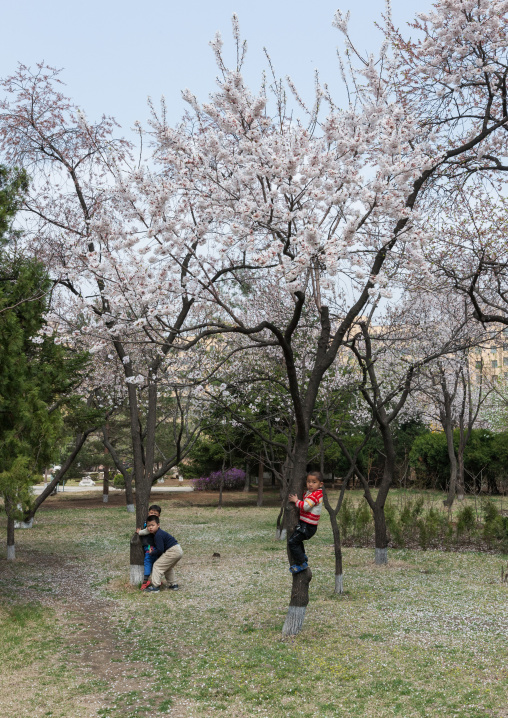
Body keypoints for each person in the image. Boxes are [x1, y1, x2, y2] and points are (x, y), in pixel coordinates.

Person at [287, 471, 324, 574]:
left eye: (314, 482)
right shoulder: (311, 493)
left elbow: (306, 506)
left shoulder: (316, 495)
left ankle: (301, 563)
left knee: (292, 542)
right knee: (297, 541)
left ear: (320, 484)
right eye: (308, 482)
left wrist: (296, 501)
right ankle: (302, 556)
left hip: (308, 526)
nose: (310, 484)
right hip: (305, 524)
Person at [142, 515, 183, 593]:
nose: (150, 527)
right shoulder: (159, 533)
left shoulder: (158, 535)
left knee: (157, 566)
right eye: (148, 526)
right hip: (178, 550)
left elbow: (160, 550)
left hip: (172, 551)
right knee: (168, 567)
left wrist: (152, 552)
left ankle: (155, 586)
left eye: (152, 525)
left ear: (158, 525)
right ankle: (173, 584)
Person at [136, 504, 163, 590]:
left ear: (158, 515)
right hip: (149, 546)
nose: (153, 514)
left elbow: (147, 531)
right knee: (150, 562)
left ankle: (149, 580)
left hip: (153, 546)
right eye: (151, 512)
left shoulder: (155, 524)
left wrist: (140, 532)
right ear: (148, 513)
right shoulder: (147, 522)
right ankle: (149, 580)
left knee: (152, 563)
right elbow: (147, 530)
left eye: (155, 513)